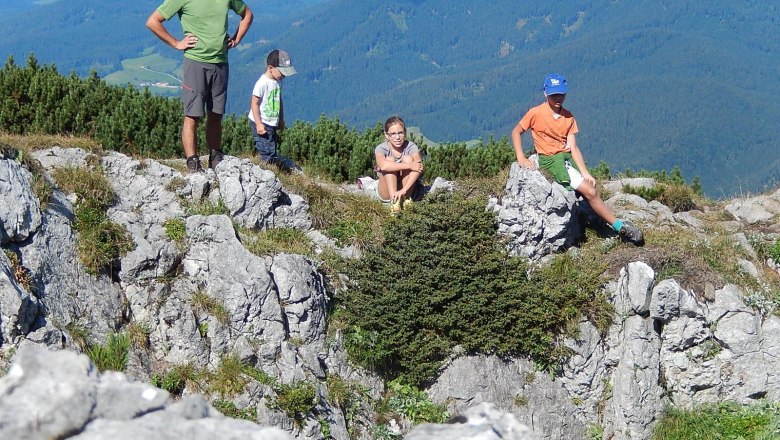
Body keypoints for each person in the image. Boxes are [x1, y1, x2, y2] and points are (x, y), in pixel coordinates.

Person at [510, 73, 644, 245]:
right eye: (554, 95)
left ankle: (605, 220)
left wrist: (585, 172)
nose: (558, 98)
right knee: (590, 192)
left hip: (564, 159)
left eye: (561, 94)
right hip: (550, 160)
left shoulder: (568, 117)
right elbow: (516, 132)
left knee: (589, 190)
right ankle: (619, 227)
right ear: (545, 93)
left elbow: (573, 147)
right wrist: (520, 156)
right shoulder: (535, 113)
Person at [146, 0, 253, 172]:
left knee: (216, 113)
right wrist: (176, 43)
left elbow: (247, 15)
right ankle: (192, 161)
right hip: (196, 62)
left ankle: (216, 156)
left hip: (220, 62)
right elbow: (153, 21)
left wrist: (236, 39)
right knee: (192, 115)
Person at [248, 49, 296, 164]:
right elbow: (254, 103)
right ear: (270, 68)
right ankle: (267, 170)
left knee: (272, 145)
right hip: (261, 121)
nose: (284, 75)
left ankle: (270, 166)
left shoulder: (277, 81)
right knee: (266, 150)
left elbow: (279, 101)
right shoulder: (262, 83)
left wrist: (281, 119)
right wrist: (259, 124)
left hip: (272, 121)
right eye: (282, 72)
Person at [375, 116, 424, 214]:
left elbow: (419, 167)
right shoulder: (381, 148)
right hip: (386, 190)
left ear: (405, 132)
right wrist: (410, 166)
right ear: (386, 135)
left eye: (400, 133)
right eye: (393, 134)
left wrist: (404, 190)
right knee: (389, 160)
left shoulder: (411, 147)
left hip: (407, 189)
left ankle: (406, 199)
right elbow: (384, 166)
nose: (397, 137)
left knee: (407, 158)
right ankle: (394, 202)